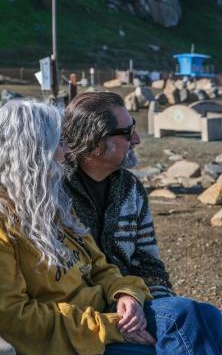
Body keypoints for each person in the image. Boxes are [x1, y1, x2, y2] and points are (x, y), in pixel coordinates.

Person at [0, 100, 222, 355]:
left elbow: (101, 265)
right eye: (60, 144)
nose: (66, 155)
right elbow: (13, 320)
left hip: (96, 316)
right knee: (182, 336)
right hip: (50, 348)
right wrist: (110, 327)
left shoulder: (45, 199)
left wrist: (127, 293)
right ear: (32, 151)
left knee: (204, 318)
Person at [61, 92, 173, 298]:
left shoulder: (131, 188)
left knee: (200, 315)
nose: (137, 139)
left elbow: (149, 264)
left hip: (133, 302)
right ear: (94, 143)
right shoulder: (56, 192)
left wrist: (160, 306)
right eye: (128, 132)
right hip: (81, 312)